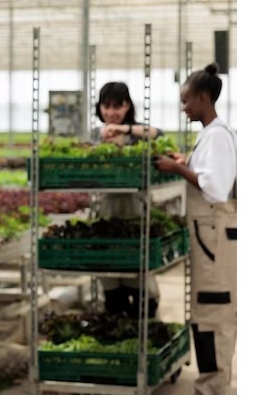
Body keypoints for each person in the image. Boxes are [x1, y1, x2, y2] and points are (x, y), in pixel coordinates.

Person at [155, 63, 236, 395]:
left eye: (187, 101)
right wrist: (186, 161)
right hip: (211, 234)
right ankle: (209, 383)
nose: (184, 108)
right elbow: (210, 172)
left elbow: (214, 188)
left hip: (213, 235)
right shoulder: (213, 134)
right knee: (205, 311)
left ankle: (213, 386)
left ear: (203, 98)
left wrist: (176, 167)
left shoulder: (216, 135)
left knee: (213, 311)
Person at [91, 82, 163, 318]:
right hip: (106, 215)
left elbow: (160, 136)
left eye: (117, 106)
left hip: (136, 216)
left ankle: (143, 334)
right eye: (106, 106)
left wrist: (125, 130)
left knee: (141, 287)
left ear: (127, 107)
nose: (111, 112)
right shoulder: (96, 137)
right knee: (112, 289)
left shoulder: (137, 134)